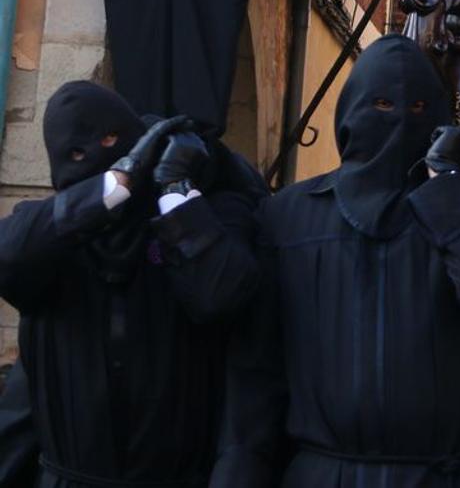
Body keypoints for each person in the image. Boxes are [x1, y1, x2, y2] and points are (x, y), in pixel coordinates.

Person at [212, 35, 460, 486]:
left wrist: (447, 188)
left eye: (419, 109)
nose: (400, 122)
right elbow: (256, 374)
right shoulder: (289, 217)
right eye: (381, 104)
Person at [0, 81, 263, 487]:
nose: (93, 154)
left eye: (111, 138)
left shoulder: (203, 214)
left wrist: (175, 189)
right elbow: (10, 255)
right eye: (74, 153)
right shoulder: (55, 236)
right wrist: (113, 187)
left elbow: (221, 294)